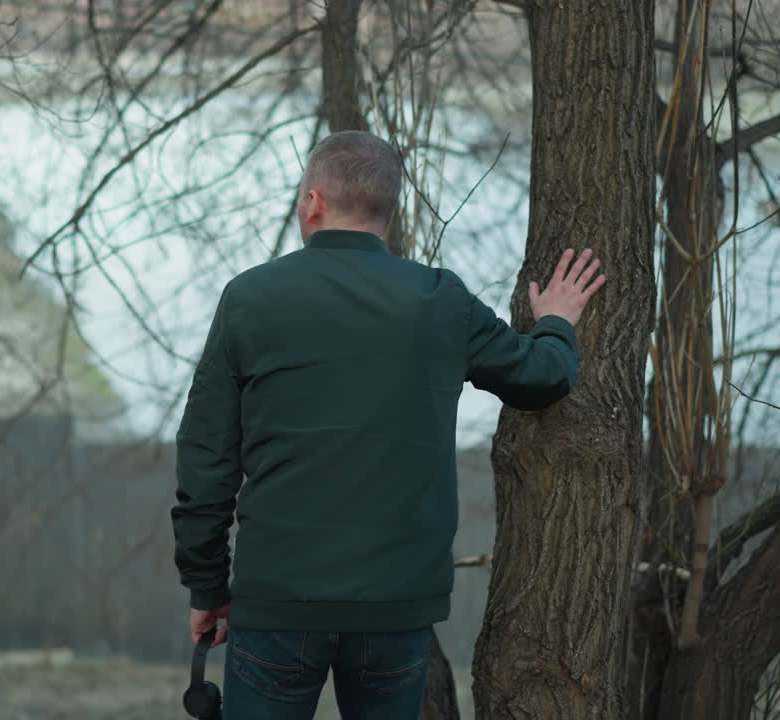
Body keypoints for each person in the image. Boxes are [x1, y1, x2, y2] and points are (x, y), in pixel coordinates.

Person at [170, 130, 604, 720]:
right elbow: (542, 376)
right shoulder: (438, 299)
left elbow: (205, 459)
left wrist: (207, 585)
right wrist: (555, 321)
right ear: (388, 212)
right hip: (395, 608)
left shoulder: (250, 299)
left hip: (277, 602)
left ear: (313, 202)